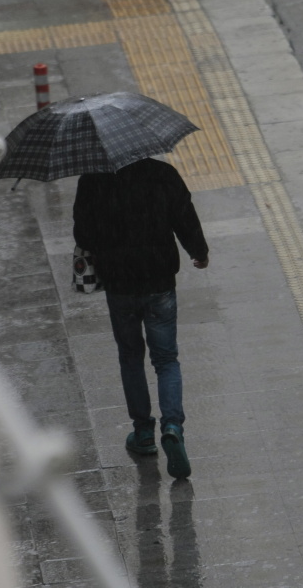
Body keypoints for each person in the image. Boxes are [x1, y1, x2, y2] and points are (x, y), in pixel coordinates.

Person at [73, 157, 208, 479]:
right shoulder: (161, 172)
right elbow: (184, 215)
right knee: (166, 359)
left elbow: (83, 235)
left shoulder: (92, 180)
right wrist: (198, 251)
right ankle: (172, 427)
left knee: (131, 357)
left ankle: (143, 432)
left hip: (119, 284)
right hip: (159, 280)